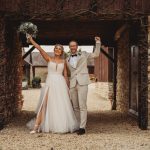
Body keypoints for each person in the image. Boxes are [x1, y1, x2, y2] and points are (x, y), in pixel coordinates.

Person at [26, 35, 79, 134]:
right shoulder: (49, 59)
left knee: (61, 105)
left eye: (60, 49)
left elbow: (66, 76)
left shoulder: (64, 61)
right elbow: (40, 49)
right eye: (56, 48)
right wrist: (31, 40)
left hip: (61, 85)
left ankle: (61, 125)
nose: (58, 50)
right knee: (44, 104)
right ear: (54, 50)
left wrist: (68, 89)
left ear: (61, 51)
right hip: (50, 84)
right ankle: (36, 127)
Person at [66, 36, 101, 135]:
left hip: (83, 82)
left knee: (82, 106)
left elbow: (96, 54)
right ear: (69, 47)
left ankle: (82, 127)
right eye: (71, 46)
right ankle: (77, 126)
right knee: (75, 106)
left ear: (77, 46)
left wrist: (98, 43)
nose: (73, 47)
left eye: (74, 45)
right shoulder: (67, 59)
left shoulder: (84, 54)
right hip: (73, 83)